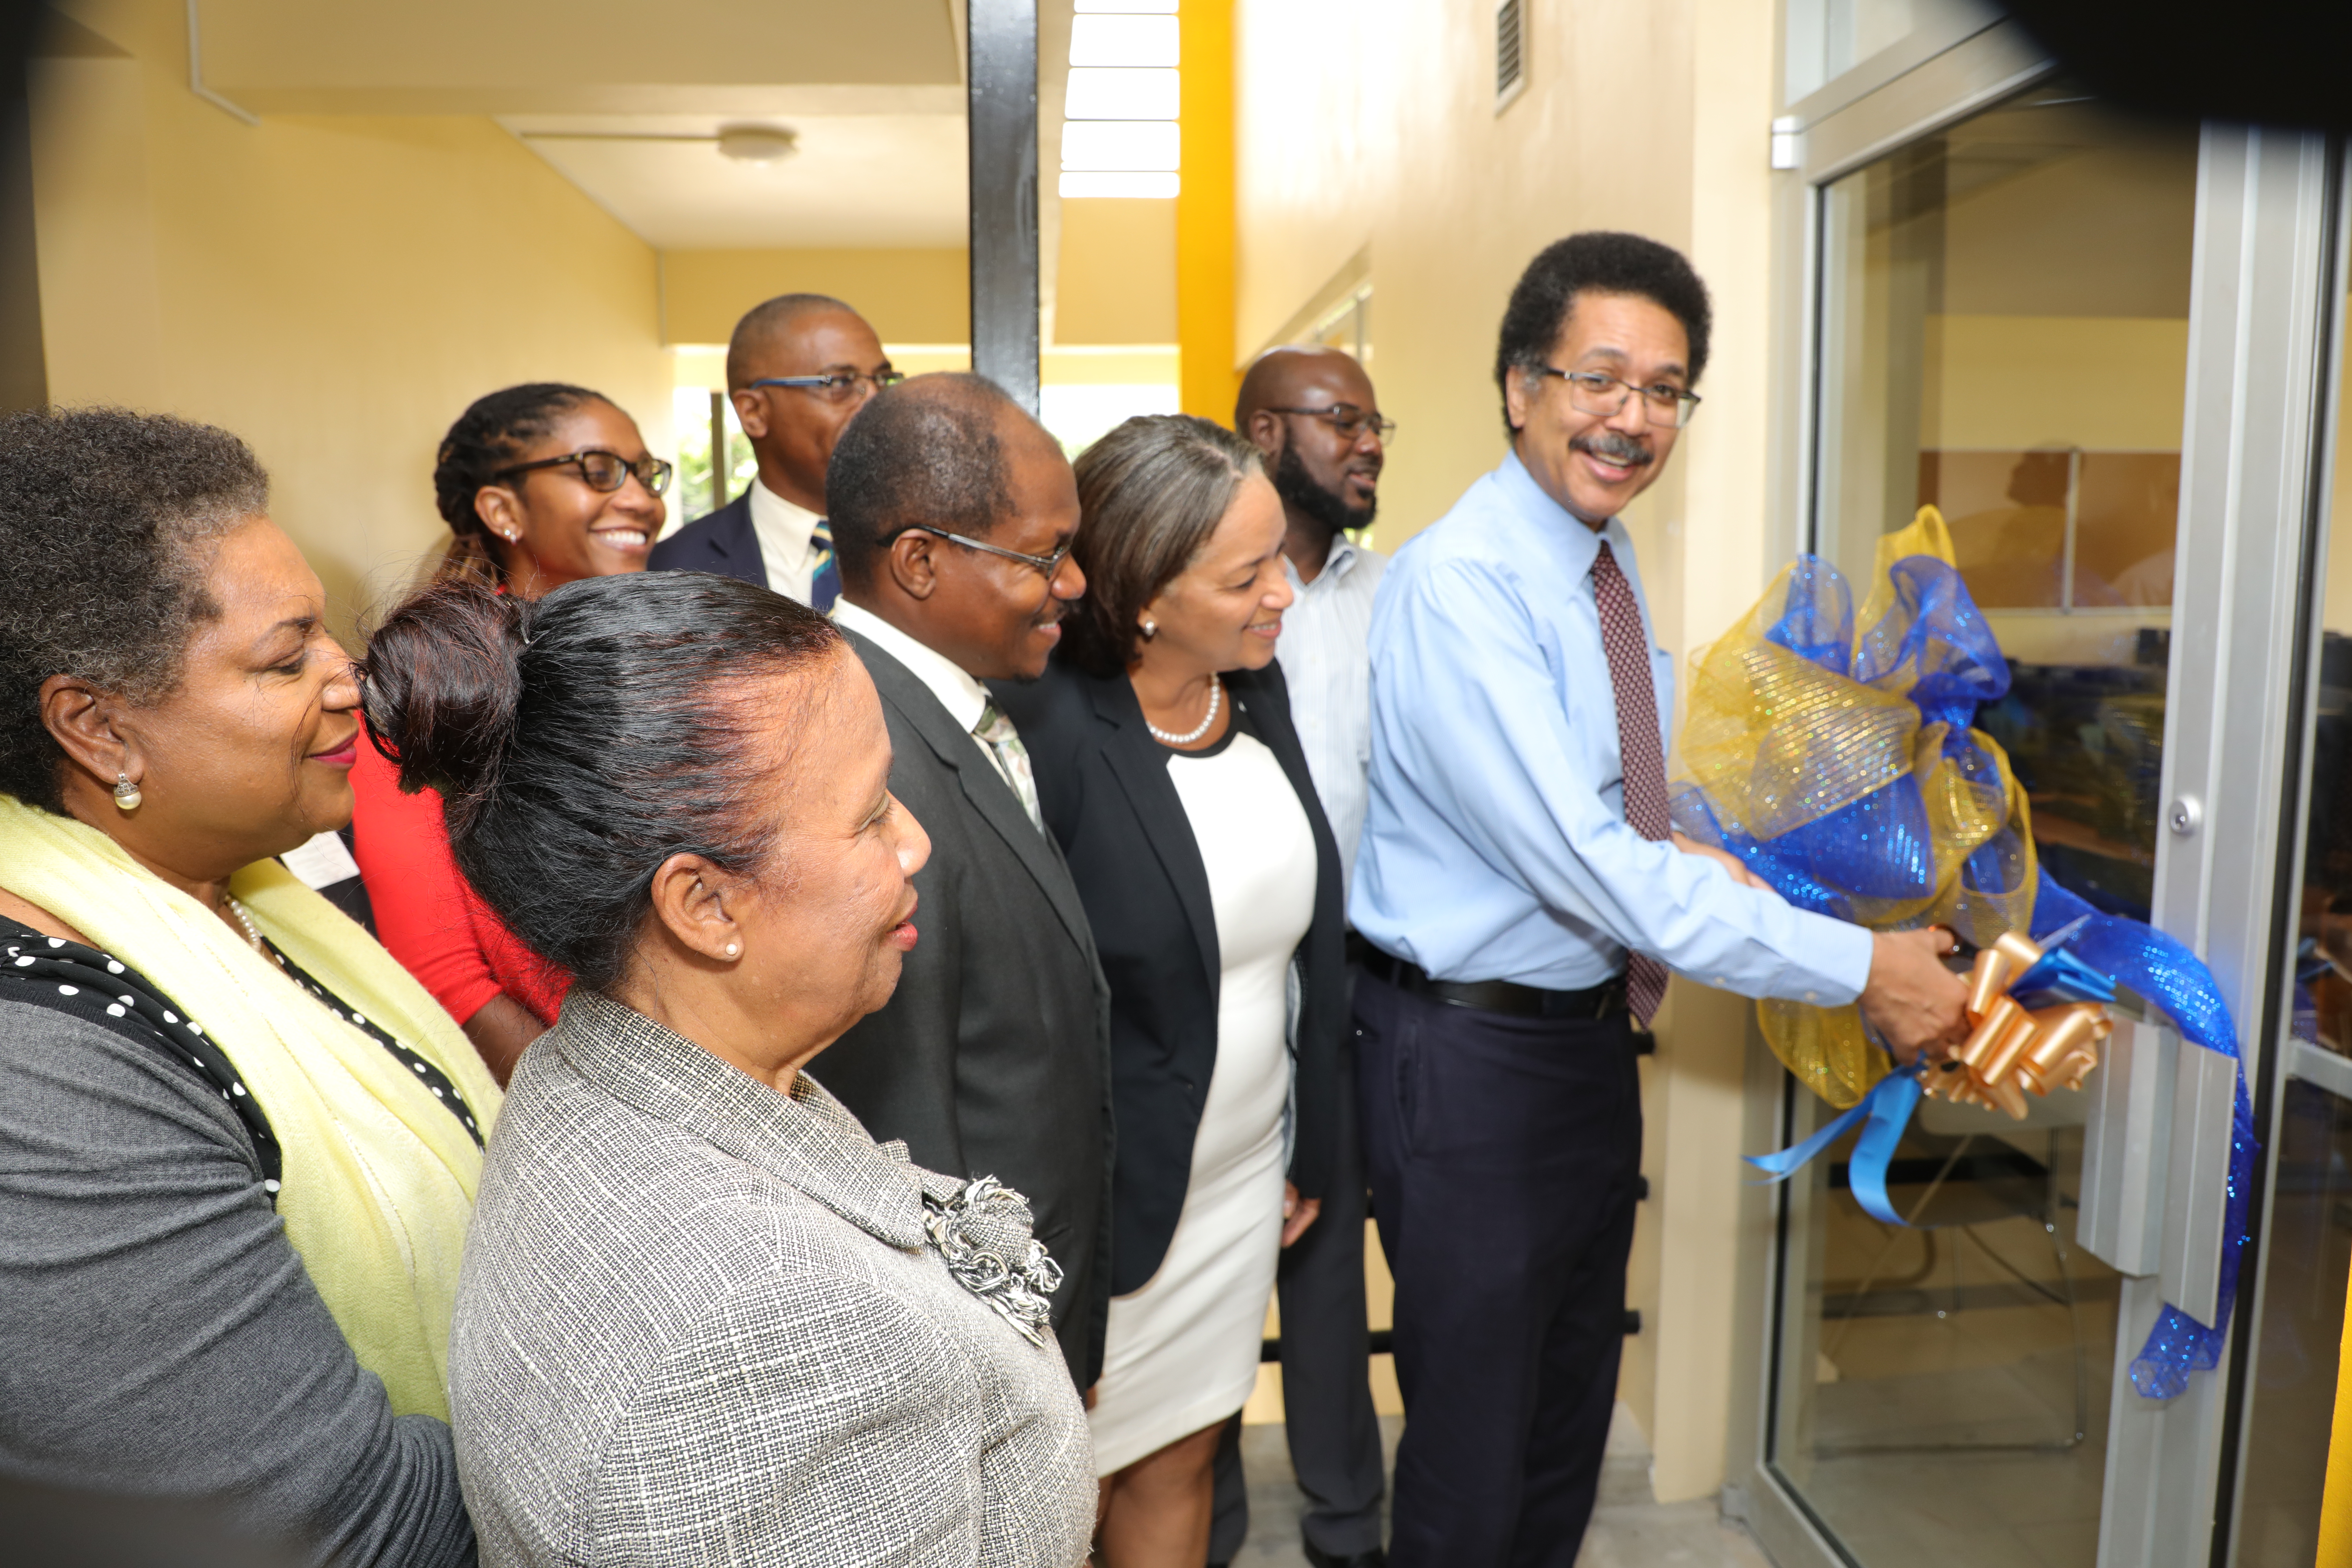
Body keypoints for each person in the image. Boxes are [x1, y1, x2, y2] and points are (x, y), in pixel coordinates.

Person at [1351, 231, 1973, 1567]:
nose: (1629, 419)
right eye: (1597, 378)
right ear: (1518, 385)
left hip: (1577, 1043)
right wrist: (1860, 970)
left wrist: (1739, 872)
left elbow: (1618, 813)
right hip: (1465, 1060)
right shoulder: (1464, 587)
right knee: (1471, 1447)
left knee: (1562, 1417)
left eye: (1663, 390)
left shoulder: (1602, 560)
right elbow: (1583, 862)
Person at [369, 571, 1094, 1566]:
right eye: (872, 813)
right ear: (705, 906)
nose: (915, 842)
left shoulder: (594, 1075)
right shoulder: (776, 1331)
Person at [0, 407, 501, 1566]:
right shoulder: (41, 1079)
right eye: (287, 660)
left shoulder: (253, 894)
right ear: (97, 727)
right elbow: (323, 1523)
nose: (347, 681)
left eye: (328, 636)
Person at [991, 415, 1348, 1568]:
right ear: (1143, 589)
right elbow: (1020, 1006)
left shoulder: (1256, 689)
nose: (1282, 595)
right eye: (1245, 575)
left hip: (1241, 1182)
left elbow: (1307, 952)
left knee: (1186, 1460)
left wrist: (1308, 1145)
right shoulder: (1047, 728)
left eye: (1279, 559)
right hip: (1105, 1206)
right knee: (1066, 1493)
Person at [819, 373, 1115, 1389]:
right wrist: (993, 1362)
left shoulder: (956, 705)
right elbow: (903, 1121)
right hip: (976, 1345)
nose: (1072, 581)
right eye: (1045, 555)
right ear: (918, 560)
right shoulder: (866, 746)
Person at [1203, 346, 1394, 1568]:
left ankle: (1348, 1532)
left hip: (1369, 980)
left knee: (1330, 1267)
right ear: (1266, 431)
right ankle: (1197, 1530)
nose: (1372, 441)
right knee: (1208, 1263)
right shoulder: (1204, 595)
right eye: (1343, 420)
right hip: (1219, 977)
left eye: (1380, 421)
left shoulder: (1406, 590)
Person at [350, 383, 669, 1081]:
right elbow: (446, 974)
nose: (642, 499)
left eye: (647, 472)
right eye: (599, 469)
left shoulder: (659, 652)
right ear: (501, 509)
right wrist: (611, 1106)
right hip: (579, 1095)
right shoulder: (429, 684)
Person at [647, 292, 900, 608]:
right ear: (754, 413)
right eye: (840, 383)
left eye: (883, 379)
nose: (876, 402)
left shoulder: (935, 547)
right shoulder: (677, 571)